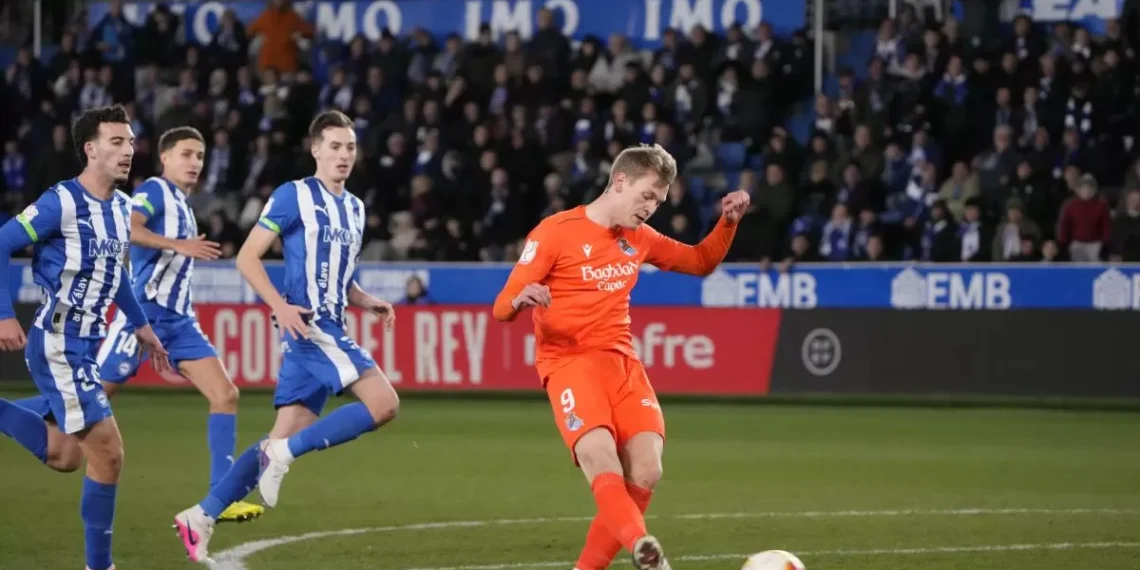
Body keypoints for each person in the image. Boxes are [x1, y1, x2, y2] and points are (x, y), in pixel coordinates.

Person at [492, 143, 749, 570]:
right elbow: (501, 308)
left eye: (659, 201)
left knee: (647, 471)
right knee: (599, 455)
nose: (651, 208)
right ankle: (645, 550)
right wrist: (522, 298)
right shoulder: (555, 232)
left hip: (622, 364)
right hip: (569, 364)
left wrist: (728, 222)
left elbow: (700, 261)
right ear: (620, 181)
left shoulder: (639, 238)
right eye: (647, 196)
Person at [172, 110, 400, 563]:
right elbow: (248, 258)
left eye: (350, 147)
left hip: (328, 324)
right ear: (315, 149)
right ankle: (284, 453)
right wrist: (278, 306)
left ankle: (200, 516)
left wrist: (366, 299)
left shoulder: (354, 208)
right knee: (384, 404)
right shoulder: (293, 196)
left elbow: (340, 279)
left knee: (282, 433)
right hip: (311, 328)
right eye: (334, 146)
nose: (343, 155)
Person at [0, 104, 170, 570]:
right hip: (59, 341)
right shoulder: (61, 202)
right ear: (90, 149)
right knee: (110, 455)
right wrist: (2, 314)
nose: (127, 149)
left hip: (85, 345)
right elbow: (2, 241)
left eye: (131, 141)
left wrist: (141, 326)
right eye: (116, 141)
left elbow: (116, 276)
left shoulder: (121, 207)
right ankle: (101, 566)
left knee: (64, 455)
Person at [93, 126, 265, 523]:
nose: (194, 163)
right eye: (186, 154)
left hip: (179, 322)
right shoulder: (154, 190)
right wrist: (180, 245)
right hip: (144, 316)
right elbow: (128, 230)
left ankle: (221, 498)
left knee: (225, 394)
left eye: (200, 156)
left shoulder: (183, 205)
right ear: (166, 158)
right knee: (84, 404)